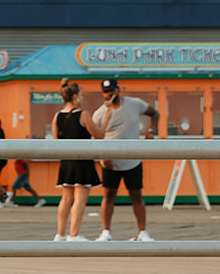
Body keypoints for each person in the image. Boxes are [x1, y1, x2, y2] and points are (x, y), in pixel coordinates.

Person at [91, 78, 160, 242]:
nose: (110, 94)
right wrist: (103, 156)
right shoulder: (99, 114)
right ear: (102, 93)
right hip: (110, 162)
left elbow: (154, 113)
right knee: (108, 195)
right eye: (106, 91)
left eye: (112, 90)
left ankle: (143, 232)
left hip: (132, 160)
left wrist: (151, 130)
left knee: (136, 195)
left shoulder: (134, 103)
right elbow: (95, 137)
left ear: (118, 89)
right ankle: (105, 232)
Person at [52, 79, 100, 241]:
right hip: (82, 159)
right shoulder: (83, 114)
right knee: (80, 198)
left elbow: (55, 139)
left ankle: (60, 234)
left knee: (66, 198)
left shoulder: (57, 116)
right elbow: (97, 134)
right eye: (80, 94)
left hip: (66, 160)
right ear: (75, 96)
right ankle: (74, 234)